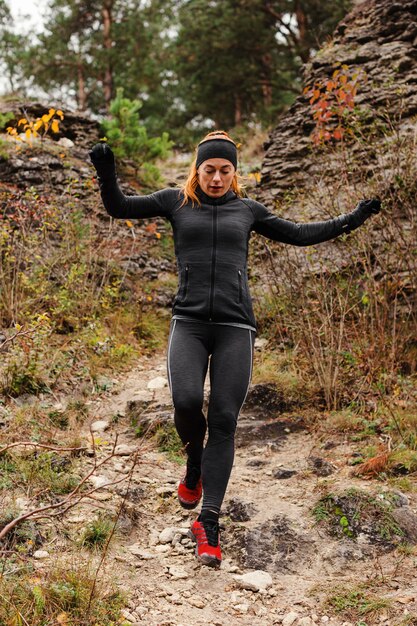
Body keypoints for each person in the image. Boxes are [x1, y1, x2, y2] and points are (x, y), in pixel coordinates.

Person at [89, 131, 381, 568]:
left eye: (226, 170)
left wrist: (351, 219)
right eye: (210, 170)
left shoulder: (248, 210)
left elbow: (300, 234)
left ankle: (209, 522)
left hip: (235, 326)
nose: (218, 178)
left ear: (235, 173)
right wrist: (106, 170)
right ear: (197, 169)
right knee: (186, 402)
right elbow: (119, 207)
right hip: (188, 323)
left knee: (224, 419)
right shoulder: (175, 202)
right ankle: (194, 463)